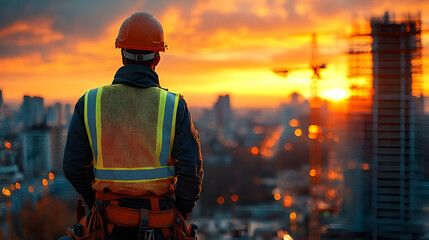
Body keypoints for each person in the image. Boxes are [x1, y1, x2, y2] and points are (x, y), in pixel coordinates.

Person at [63, 12, 203, 240]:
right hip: (160, 226)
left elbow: (73, 167)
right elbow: (191, 173)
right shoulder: (174, 106)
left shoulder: (89, 102)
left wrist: (97, 203)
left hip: (106, 227)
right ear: (157, 58)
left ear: (122, 54)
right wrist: (178, 213)